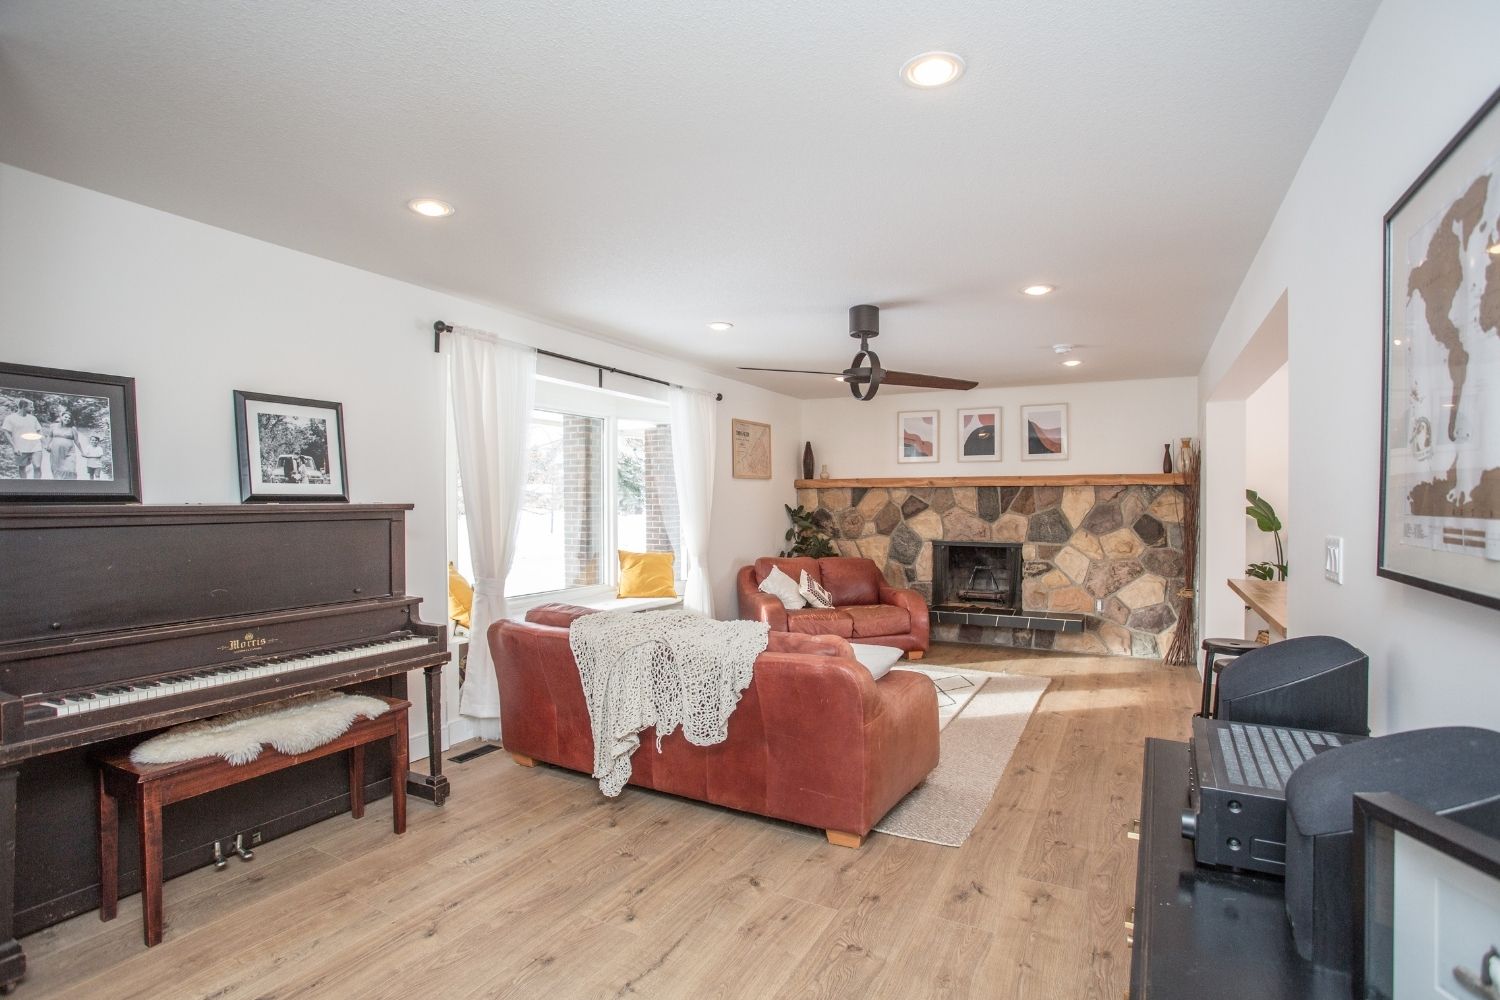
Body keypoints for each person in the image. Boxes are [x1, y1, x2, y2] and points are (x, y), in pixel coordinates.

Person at [1, 399, 45, 479]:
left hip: (35, 446)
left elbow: (39, 431)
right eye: (31, 407)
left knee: (37, 466)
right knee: (22, 468)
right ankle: (24, 483)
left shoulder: (33, 418)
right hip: (20, 447)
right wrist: (14, 447)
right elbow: (6, 432)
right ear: (24, 407)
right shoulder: (10, 418)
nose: (33, 409)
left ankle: (37, 484)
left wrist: (44, 443)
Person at [45, 407, 79, 480]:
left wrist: (82, 452)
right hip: (56, 451)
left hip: (69, 451)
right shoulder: (53, 426)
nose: (67, 419)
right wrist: (47, 445)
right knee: (56, 468)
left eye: (69, 418)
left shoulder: (72, 428)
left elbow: (77, 441)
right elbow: (50, 436)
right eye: (66, 417)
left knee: (70, 468)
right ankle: (59, 483)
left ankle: (71, 483)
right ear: (61, 417)